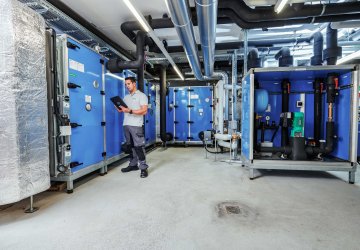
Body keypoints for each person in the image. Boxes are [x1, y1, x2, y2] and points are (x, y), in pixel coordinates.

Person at [115, 76, 149, 178]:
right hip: (126, 124)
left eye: (128, 84)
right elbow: (122, 111)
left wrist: (130, 111)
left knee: (138, 147)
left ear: (134, 84)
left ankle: (143, 168)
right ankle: (133, 165)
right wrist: (117, 106)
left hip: (136, 125)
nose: (127, 86)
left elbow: (144, 111)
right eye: (126, 84)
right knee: (131, 147)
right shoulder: (126, 97)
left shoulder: (141, 96)